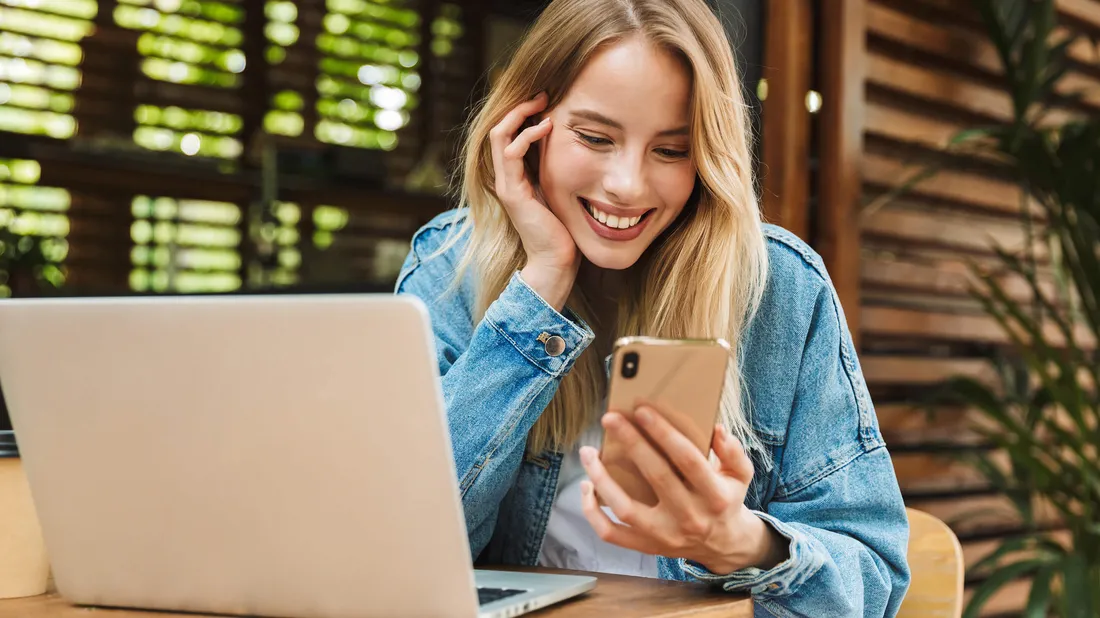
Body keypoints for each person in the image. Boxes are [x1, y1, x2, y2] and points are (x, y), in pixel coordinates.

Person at [395, 0, 911, 615]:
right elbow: (403, 547)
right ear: (525, 126)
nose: (628, 185)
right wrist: (539, 288)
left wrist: (736, 542)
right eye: (594, 137)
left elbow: (872, 579)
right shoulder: (450, 267)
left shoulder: (779, 289)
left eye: (671, 150)